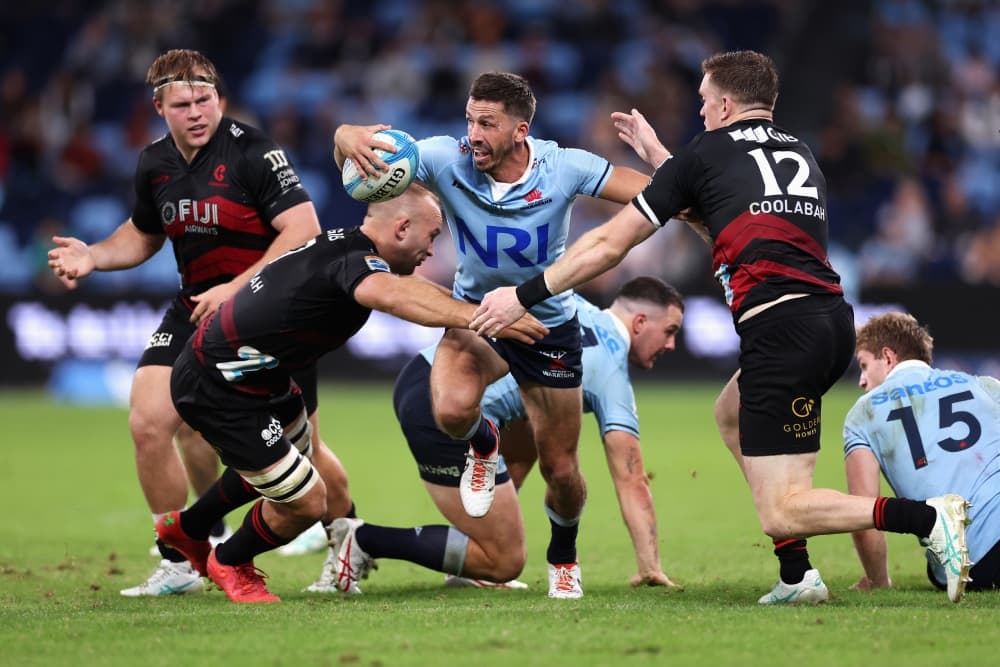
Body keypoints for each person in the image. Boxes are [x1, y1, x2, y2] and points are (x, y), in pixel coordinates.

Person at [471, 50, 974, 603]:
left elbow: (611, 243)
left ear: (727, 103)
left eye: (706, 103)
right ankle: (797, 577)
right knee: (729, 414)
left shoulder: (705, 152)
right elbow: (720, 209)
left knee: (783, 509)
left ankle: (927, 520)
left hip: (780, 330)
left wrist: (527, 293)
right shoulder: (799, 152)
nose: (703, 113)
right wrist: (664, 157)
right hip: (829, 320)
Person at [333, 71, 653, 598]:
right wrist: (344, 133)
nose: (473, 134)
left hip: (546, 326)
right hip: (480, 316)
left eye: (487, 123)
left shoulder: (565, 167)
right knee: (453, 411)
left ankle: (563, 555)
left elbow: (649, 197)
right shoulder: (443, 157)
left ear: (520, 130)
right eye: (469, 120)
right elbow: (363, 155)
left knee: (562, 469)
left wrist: (662, 161)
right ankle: (486, 445)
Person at [47, 49, 354, 597]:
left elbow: (304, 229)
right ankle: (185, 558)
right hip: (195, 310)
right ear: (159, 107)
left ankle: (346, 544)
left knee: (301, 447)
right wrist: (93, 256)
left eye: (205, 99)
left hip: (269, 316)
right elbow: (143, 234)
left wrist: (235, 288)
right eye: (183, 103)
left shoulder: (254, 153)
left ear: (221, 99)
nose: (197, 111)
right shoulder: (155, 164)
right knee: (151, 424)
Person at [154, 183, 546, 603]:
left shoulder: (347, 245)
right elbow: (391, 295)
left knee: (286, 466)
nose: (432, 250)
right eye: (431, 236)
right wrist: (480, 319)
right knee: (307, 501)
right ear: (401, 228)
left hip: (259, 375)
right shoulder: (357, 263)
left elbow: (410, 290)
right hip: (219, 384)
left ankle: (188, 529)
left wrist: (480, 311)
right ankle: (230, 560)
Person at [307, 277, 684, 595]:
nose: (671, 346)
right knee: (505, 561)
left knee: (540, 431)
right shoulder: (609, 372)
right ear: (638, 322)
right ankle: (364, 540)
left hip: (428, 375)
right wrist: (650, 566)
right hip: (443, 408)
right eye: (669, 332)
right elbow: (631, 478)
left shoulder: (567, 303)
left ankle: (469, 563)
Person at [844, 312, 1000, 592]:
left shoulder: (863, 413)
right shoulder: (985, 386)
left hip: (978, 562)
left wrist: (878, 581)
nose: (862, 381)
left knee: (938, 569)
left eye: (864, 366)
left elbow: (862, 514)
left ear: (888, 357)